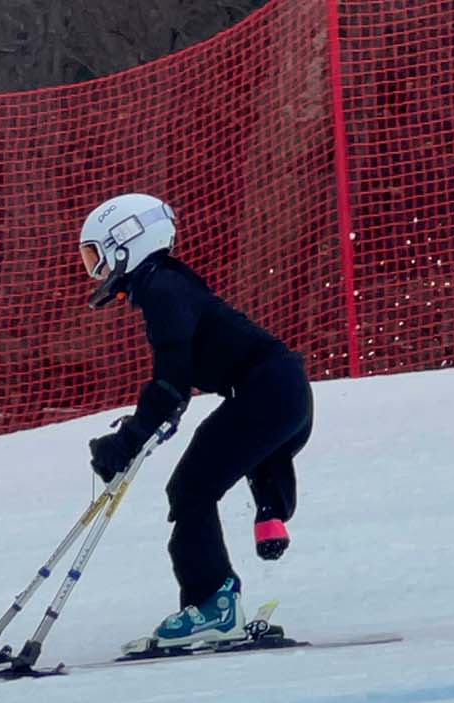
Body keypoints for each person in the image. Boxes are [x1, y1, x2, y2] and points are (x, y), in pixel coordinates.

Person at [77, 193, 313, 651]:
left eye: (97, 256)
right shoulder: (166, 285)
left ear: (127, 242)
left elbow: (172, 381)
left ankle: (212, 607)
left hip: (269, 393)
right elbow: (178, 385)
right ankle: (213, 602)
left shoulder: (164, 289)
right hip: (278, 391)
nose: (96, 271)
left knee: (190, 490)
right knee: (192, 486)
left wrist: (128, 441)